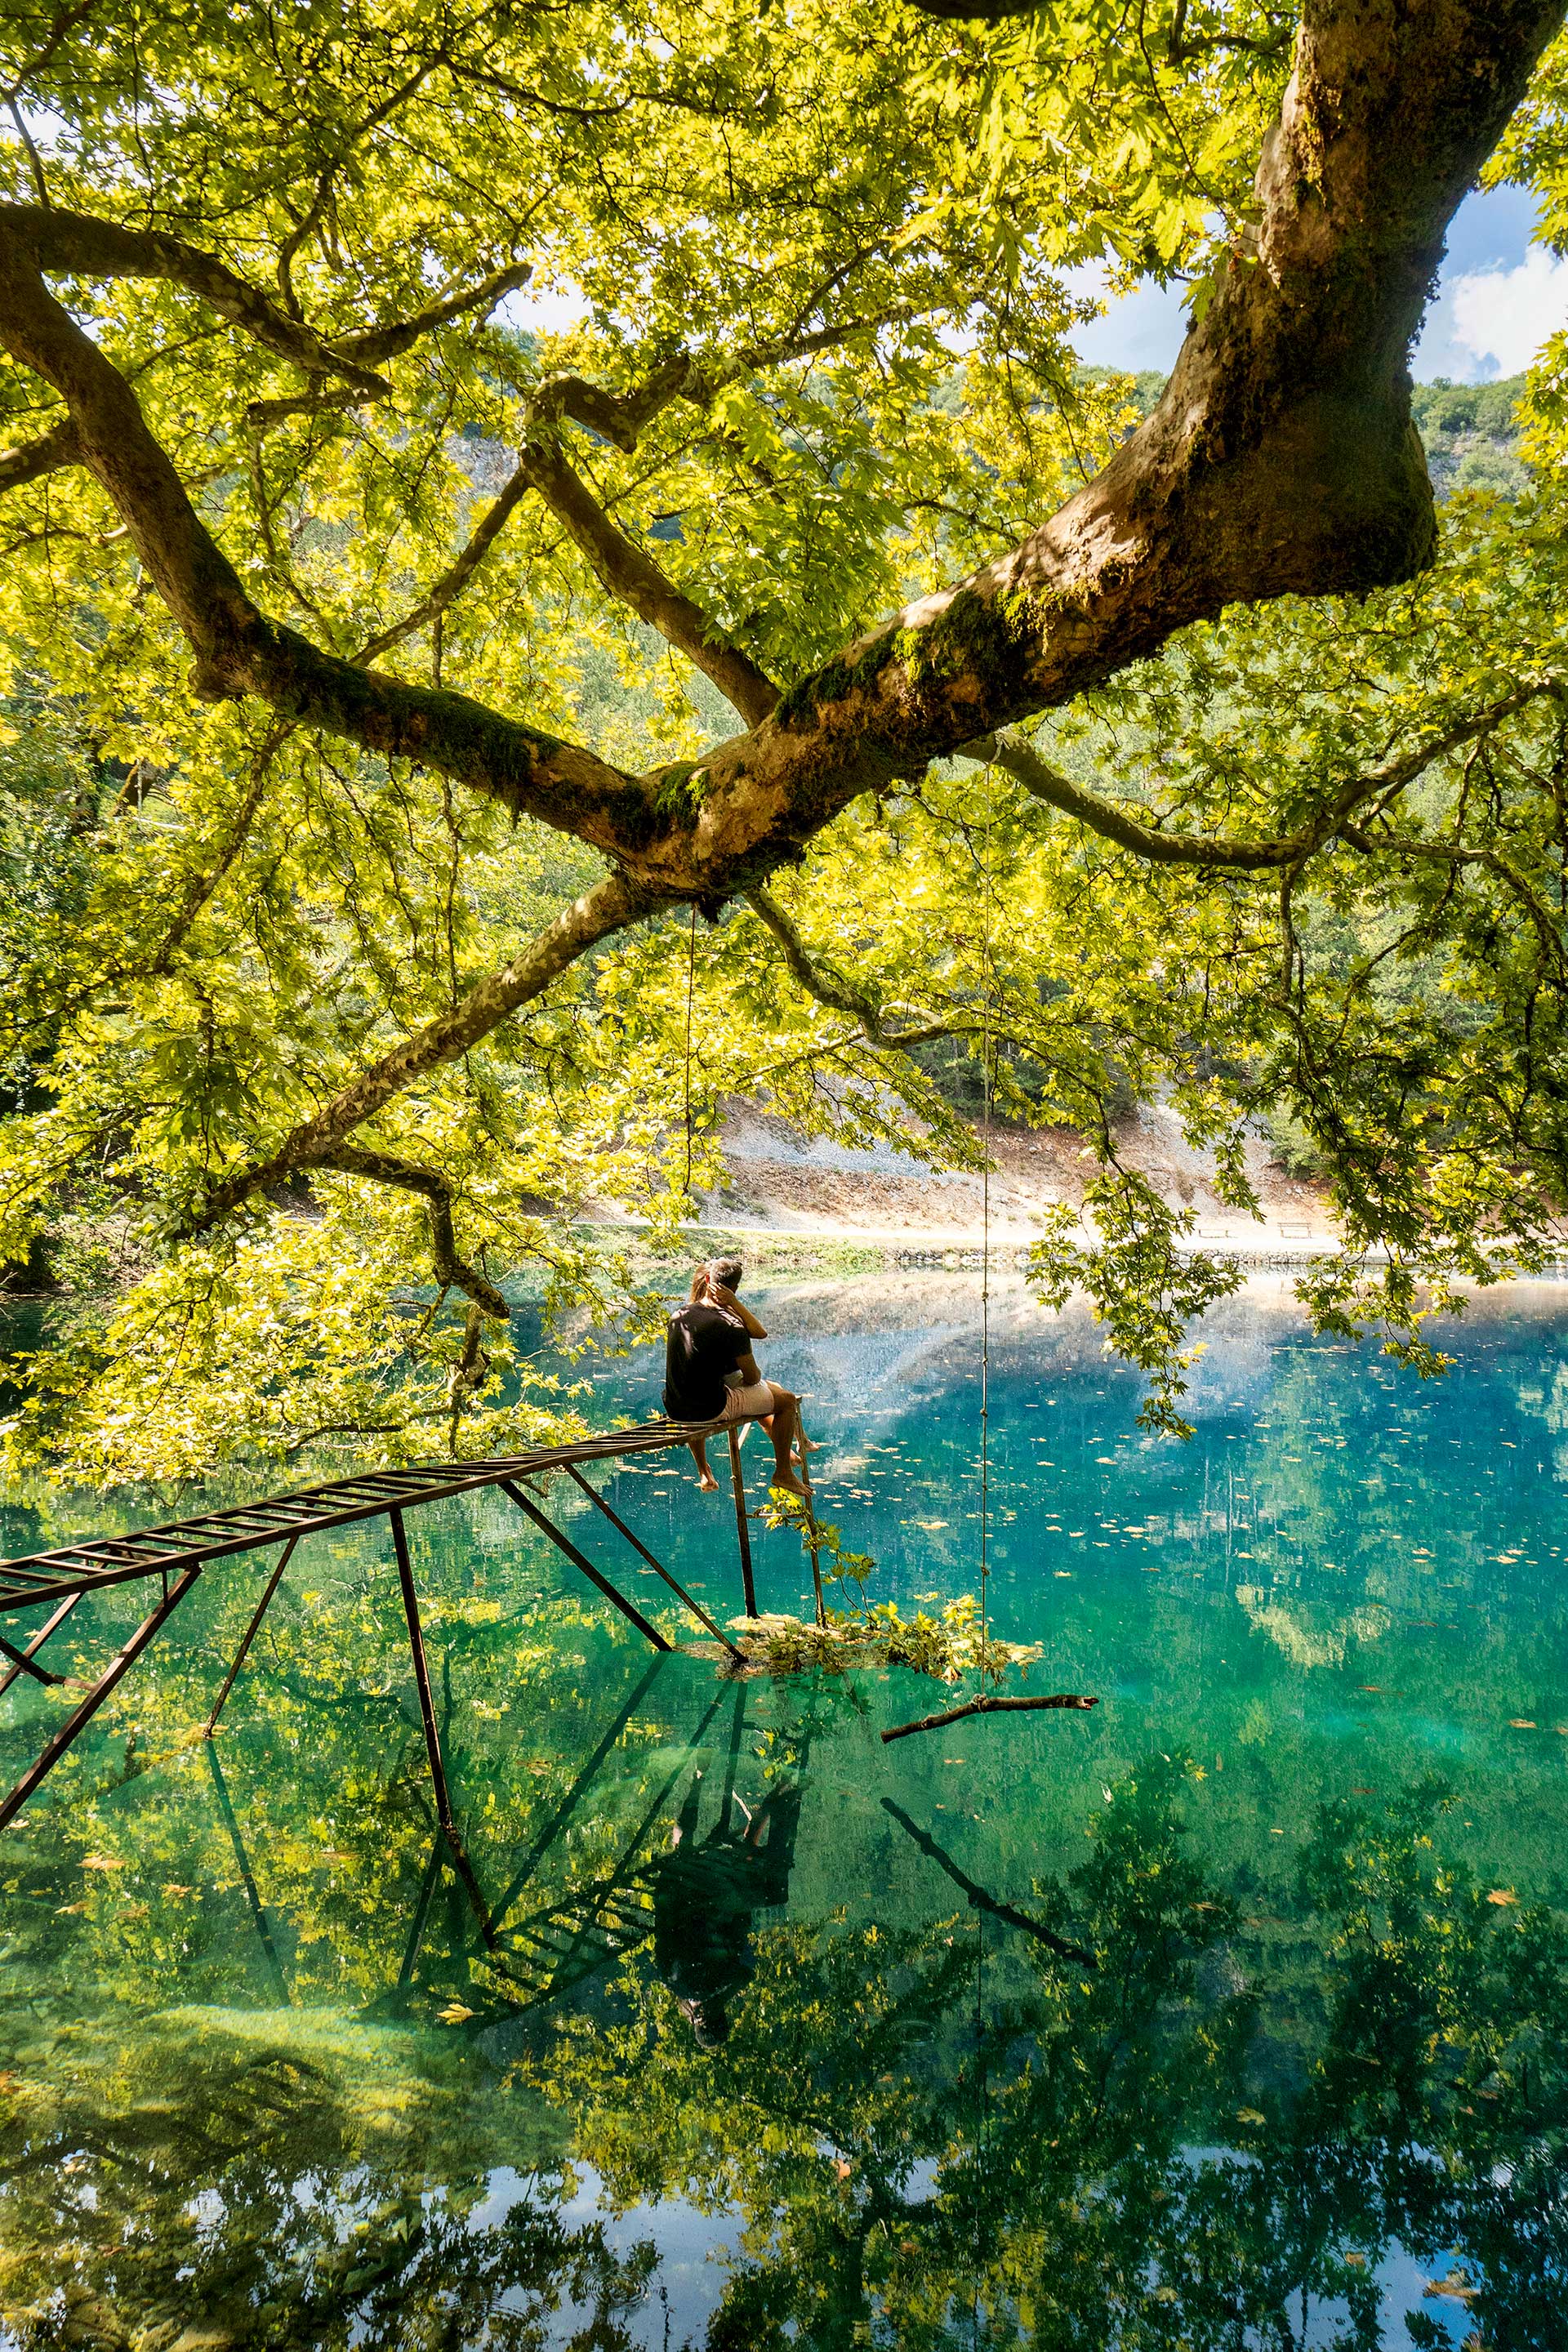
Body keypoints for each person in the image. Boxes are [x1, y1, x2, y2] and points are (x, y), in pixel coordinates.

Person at [662, 1256, 807, 1497]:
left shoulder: (680, 1315)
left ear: (707, 1280)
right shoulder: (731, 1325)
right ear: (735, 1290)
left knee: (767, 1391)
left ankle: (707, 1469)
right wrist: (757, 1377)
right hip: (710, 1411)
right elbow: (751, 1378)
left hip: (676, 1408)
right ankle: (783, 1472)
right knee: (786, 1400)